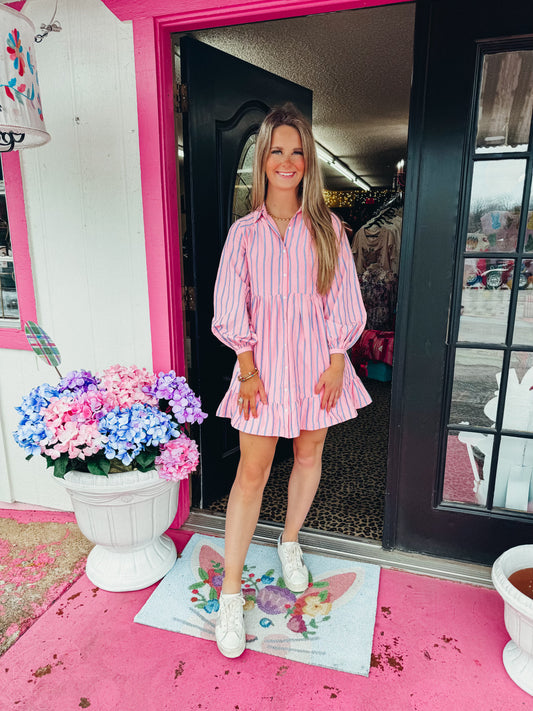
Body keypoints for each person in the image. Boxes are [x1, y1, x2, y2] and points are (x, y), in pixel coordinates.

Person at [211, 103, 371, 658]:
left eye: (296, 150)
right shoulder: (243, 234)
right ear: (262, 160)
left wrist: (335, 361)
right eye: (275, 150)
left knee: (309, 455)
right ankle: (232, 594)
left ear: (308, 161)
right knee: (251, 475)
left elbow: (344, 303)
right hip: (260, 372)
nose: (286, 160)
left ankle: (290, 541)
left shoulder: (329, 228)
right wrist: (248, 372)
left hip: (319, 366)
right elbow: (232, 309)